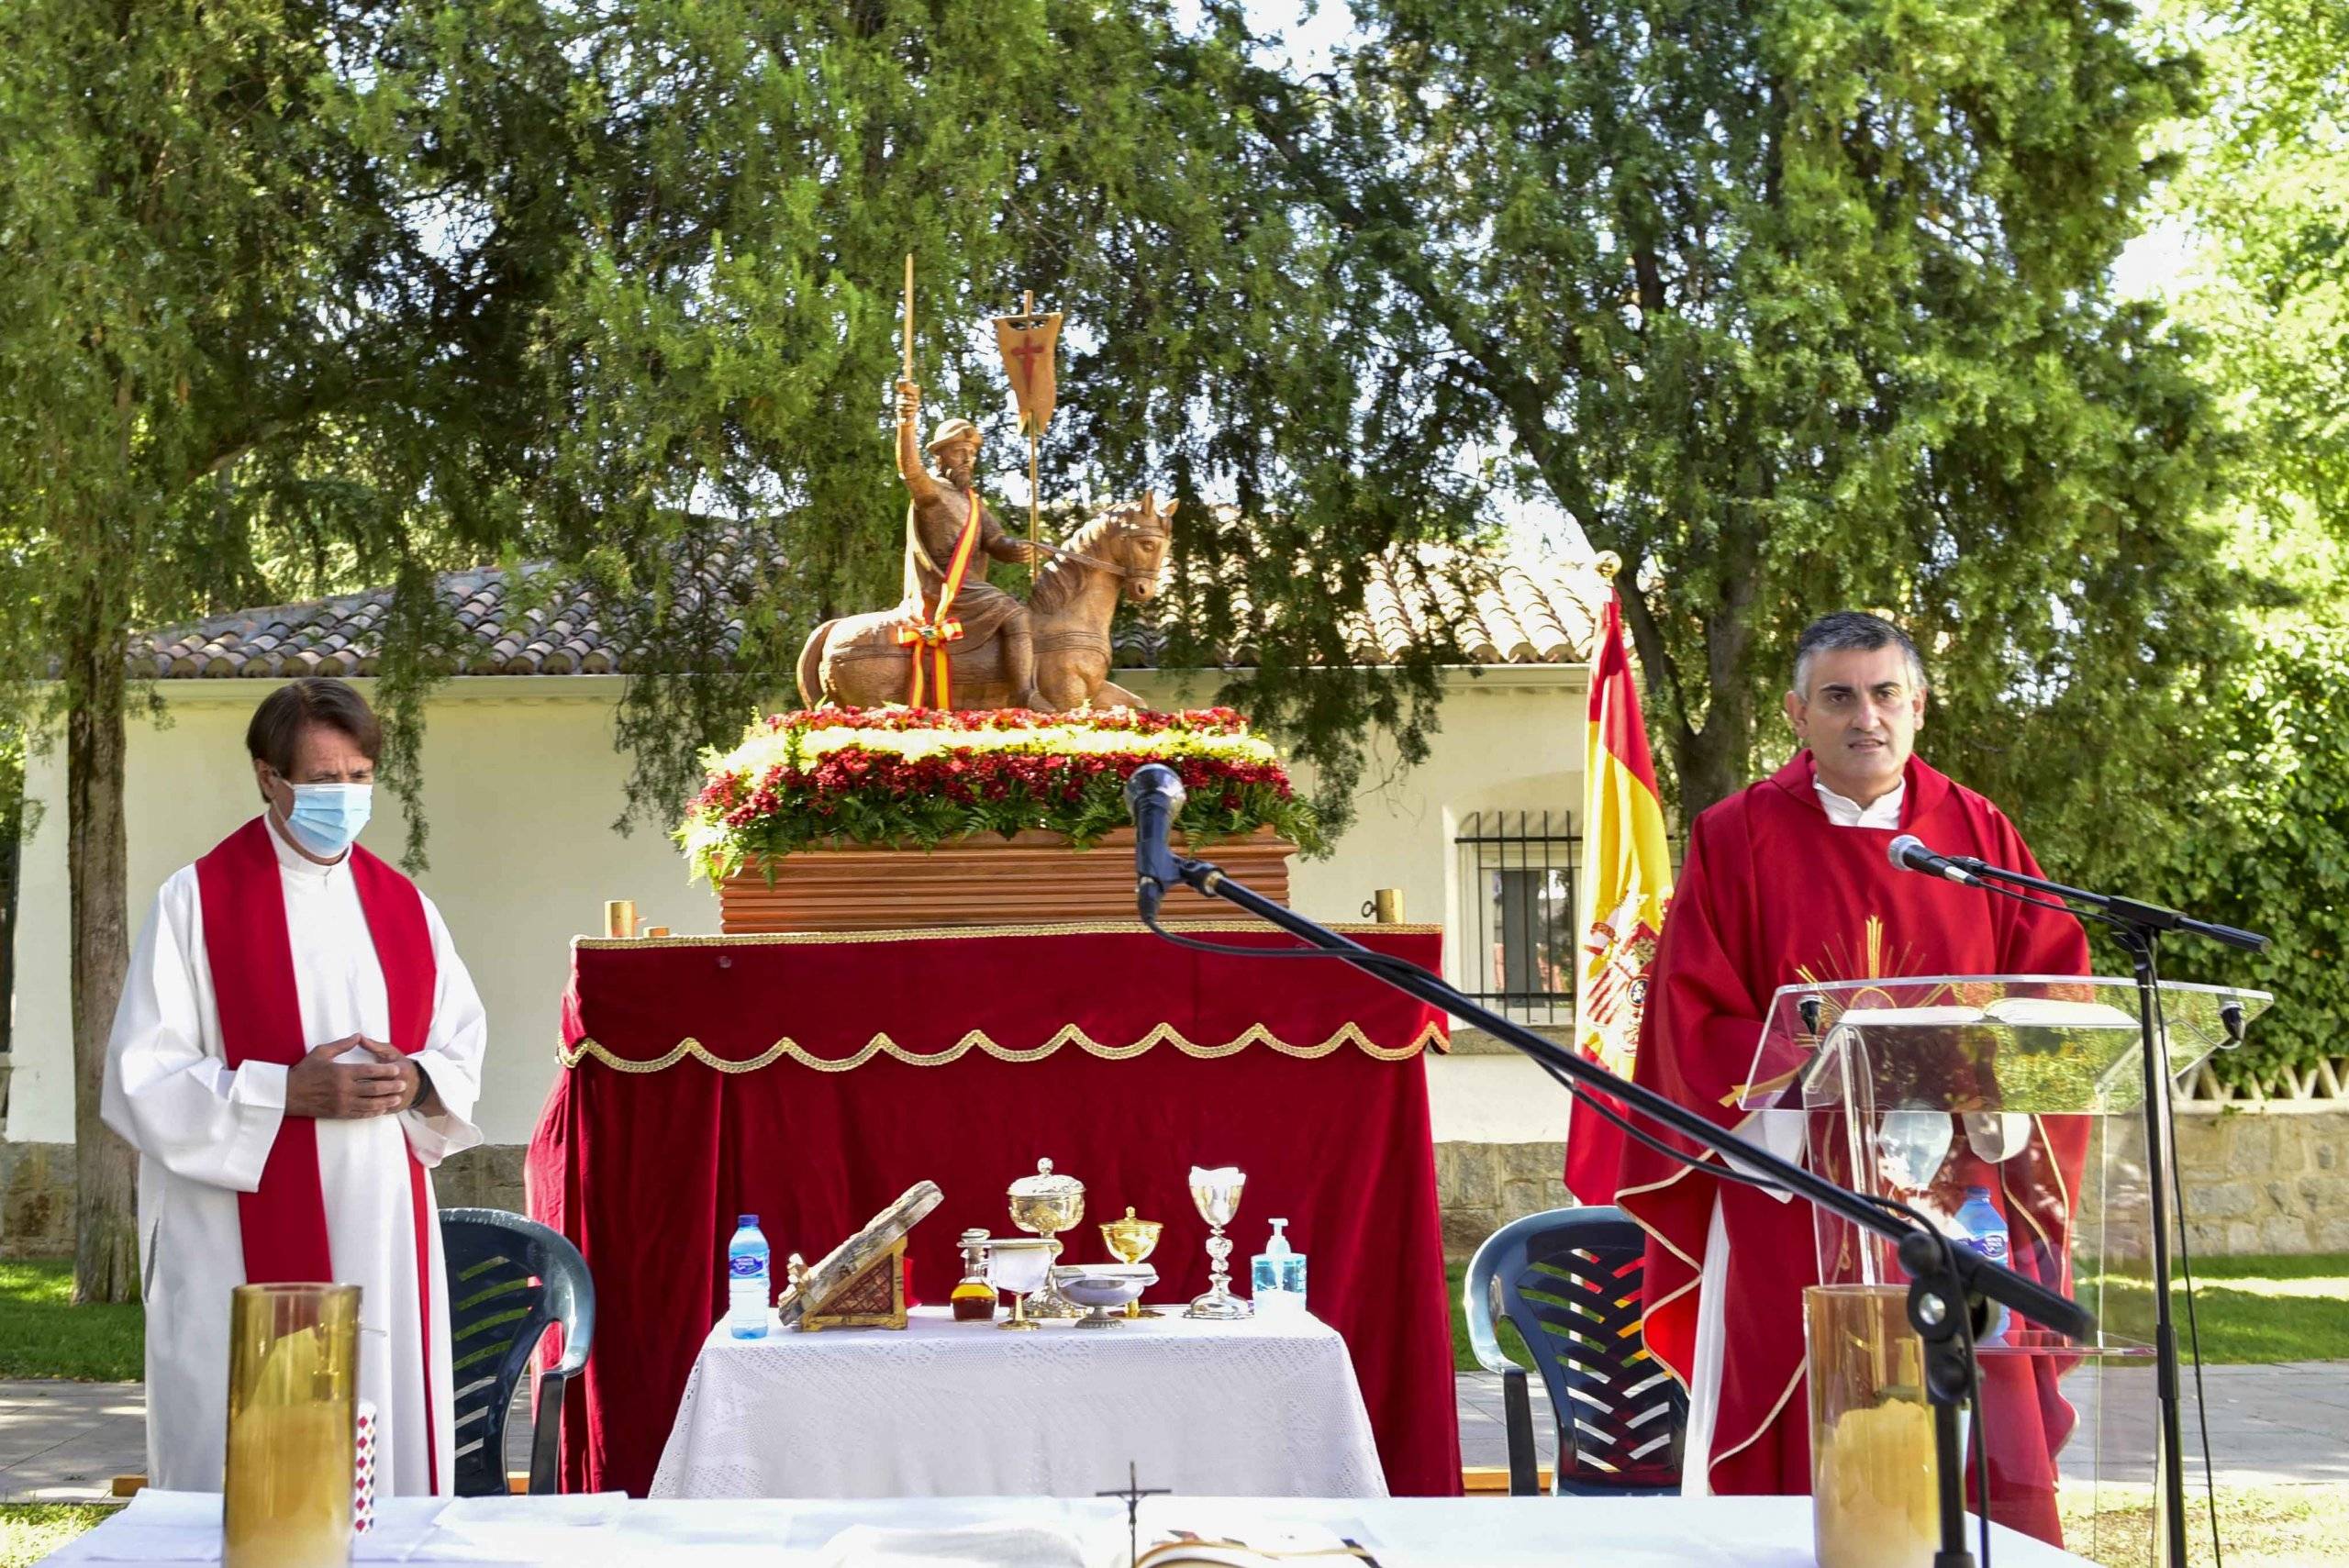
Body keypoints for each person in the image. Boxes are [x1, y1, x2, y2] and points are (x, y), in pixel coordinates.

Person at [1614, 611, 2088, 1543]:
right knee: (1794, 1395)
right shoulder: (1735, 835)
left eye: (1883, 694)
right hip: (1796, 1184)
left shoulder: (1977, 832)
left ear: (1917, 707)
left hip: (1960, 1191)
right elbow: (1690, 1015)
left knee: (1974, 1411)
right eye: (1837, 696)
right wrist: (1808, 1092)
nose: (1863, 715)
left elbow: (2054, 991)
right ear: (1796, 714)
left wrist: (1996, 1092)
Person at [102, 678, 487, 1495]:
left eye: (357, 777)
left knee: (378, 1439)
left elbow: (460, 1041)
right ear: (267, 776)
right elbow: (142, 1075)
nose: (342, 796)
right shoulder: (198, 901)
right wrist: (285, 1091)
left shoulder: (406, 907)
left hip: (379, 1221)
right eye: (320, 779)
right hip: (238, 1232)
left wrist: (417, 1079)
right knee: (252, 1470)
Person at [894, 379, 1041, 707]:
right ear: (940, 455)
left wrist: (1013, 548)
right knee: (1016, 615)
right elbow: (909, 470)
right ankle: (1024, 695)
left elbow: (995, 539)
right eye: (960, 451)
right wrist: (907, 422)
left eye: (972, 453)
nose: (967, 459)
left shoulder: (973, 502)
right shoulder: (931, 492)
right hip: (946, 589)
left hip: (971, 587)